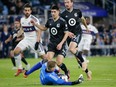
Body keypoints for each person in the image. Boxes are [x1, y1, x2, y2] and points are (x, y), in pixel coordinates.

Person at [24, 5, 70, 79]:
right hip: (52, 44)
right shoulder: (50, 20)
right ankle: (29, 73)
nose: (53, 13)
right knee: (47, 60)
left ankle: (66, 71)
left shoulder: (62, 21)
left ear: (58, 12)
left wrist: (61, 43)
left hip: (61, 44)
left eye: (54, 12)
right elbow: (44, 28)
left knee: (59, 62)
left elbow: (67, 33)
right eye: (52, 12)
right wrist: (35, 24)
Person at [60, 0, 92, 80]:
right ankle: (88, 72)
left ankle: (83, 61)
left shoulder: (77, 11)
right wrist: (68, 33)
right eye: (65, 3)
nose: (66, 4)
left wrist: (86, 27)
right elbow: (62, 27)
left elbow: (83, 19)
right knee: (77, 58)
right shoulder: (63, 14)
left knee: (71, 49)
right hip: (68, 36)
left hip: (77, 33)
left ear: (72, 3)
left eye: (68, 2)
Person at [13, 3, 46, 76]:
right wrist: (16, 36)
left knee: (45, 58)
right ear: (23, 11)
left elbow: (39, 31)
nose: (27, 12)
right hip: (26, 39)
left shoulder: (34, 19)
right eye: (25, 10)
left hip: (35, 40)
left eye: (28, 10)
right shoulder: (22, 19)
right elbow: (22, 29)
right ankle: (20, 68)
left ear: (31, 11)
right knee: (15, 52)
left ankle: (56, 68)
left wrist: (37, 42)